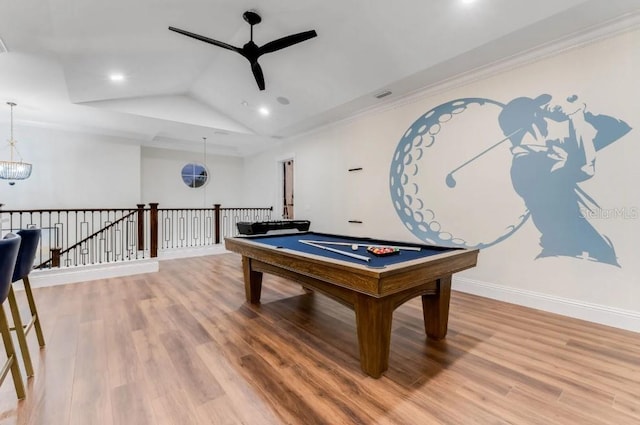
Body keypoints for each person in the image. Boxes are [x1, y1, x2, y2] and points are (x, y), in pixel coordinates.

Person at [497, 94, 631, 266]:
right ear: (536, 119)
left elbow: (617, 128)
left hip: (583, 252)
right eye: (541, 113)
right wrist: (575, 115)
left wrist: (584, 115)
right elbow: (585, 167)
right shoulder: (526, 164)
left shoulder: (549, 153)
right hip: (570, 255)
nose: (546, 118)